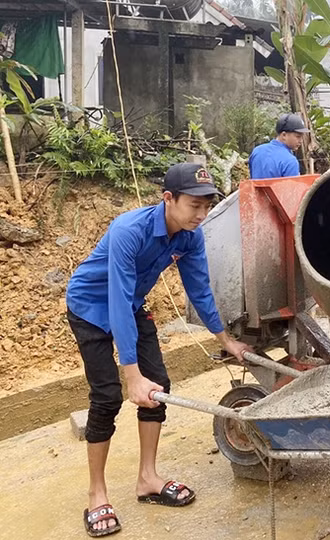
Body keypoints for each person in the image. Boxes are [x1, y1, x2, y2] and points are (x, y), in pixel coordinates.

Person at [66, 163, 253, 537]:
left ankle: (148, 479)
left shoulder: (189, 236)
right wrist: (131, 374)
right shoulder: (128, 231)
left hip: (130, 305)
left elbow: (199, 290)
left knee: (159, 386)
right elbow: (116, 298)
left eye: (207, 206)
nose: (202, 215)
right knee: (107, 397)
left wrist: (226, 341)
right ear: (168, 198)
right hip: (90, 306)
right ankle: (97, 493)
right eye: (194, 206)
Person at [248, 113, 309, 179]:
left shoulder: (257, 151)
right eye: (298, 137)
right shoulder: (290, 161)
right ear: (284, 135)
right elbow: (293, 188)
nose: (301, 141)